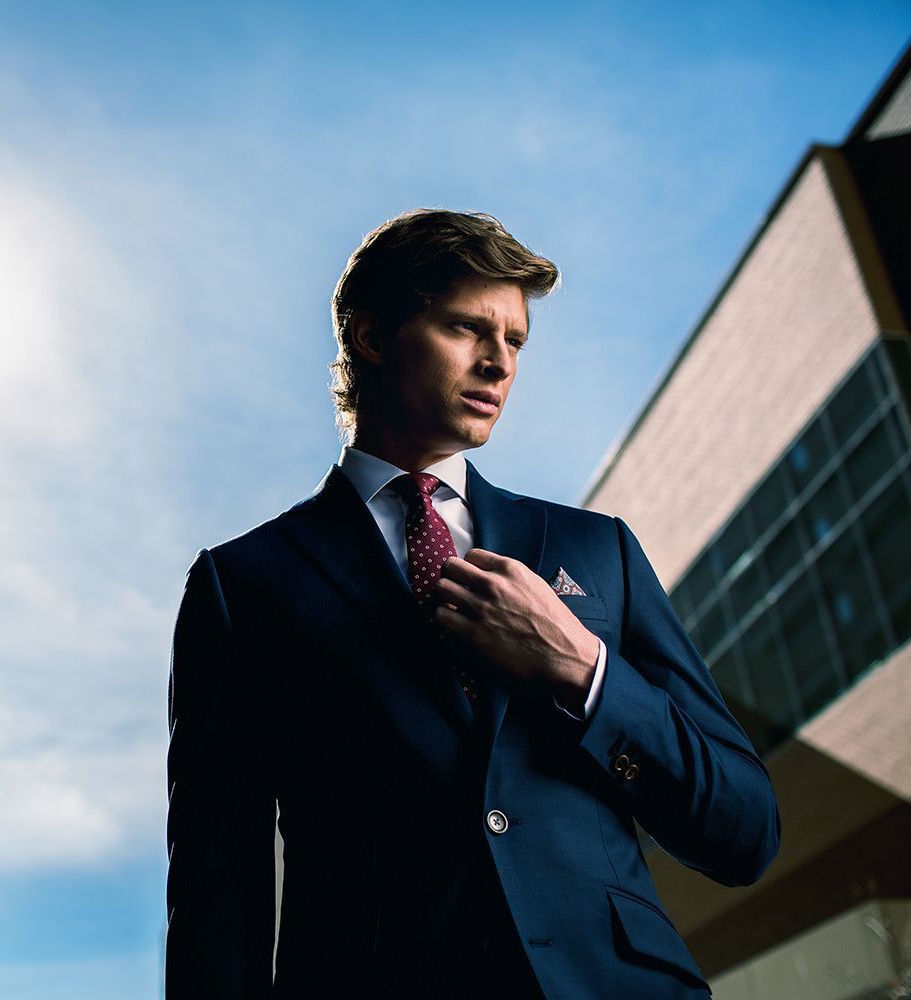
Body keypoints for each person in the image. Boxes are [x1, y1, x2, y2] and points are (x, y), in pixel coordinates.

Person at [164, 209, 780, 999]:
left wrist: (583, 670)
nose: (499, 364)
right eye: (467, 329)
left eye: (515, 340)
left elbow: (745, 831)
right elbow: (219, 897)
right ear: (373, 337)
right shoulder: (241, 585)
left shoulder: (599, 550)